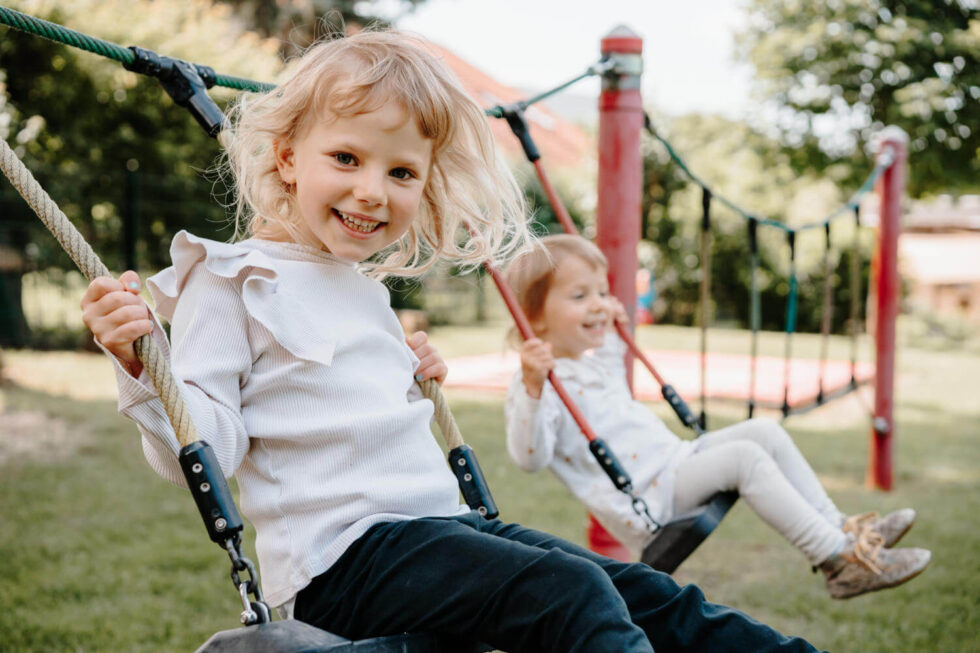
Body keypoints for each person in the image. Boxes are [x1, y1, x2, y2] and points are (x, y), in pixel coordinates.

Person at [81, 30, 822, 652]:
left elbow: (343, 420)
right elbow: (204, 453)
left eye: (401, 171)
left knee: (646, 591)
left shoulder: (361, 285)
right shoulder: (230, 279)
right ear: (285, 159)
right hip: (344, 563)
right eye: (347, 158)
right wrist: (143, 366)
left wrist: (406, 381)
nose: (373, 189)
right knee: (572, 590)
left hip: (439, 531)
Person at [504, 234, 931, 600]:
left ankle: (843, 531)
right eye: (580, 296)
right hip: (651, 499)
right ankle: (837, 561)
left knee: (764, 431)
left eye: (601, 291)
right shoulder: (539, 386)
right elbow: (529, 458)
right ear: (534, 316)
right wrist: (533, 389)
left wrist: (616, 335)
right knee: (744, 457)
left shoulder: (588, 363)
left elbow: (613, 377)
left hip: (676, 464)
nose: (598, 303)